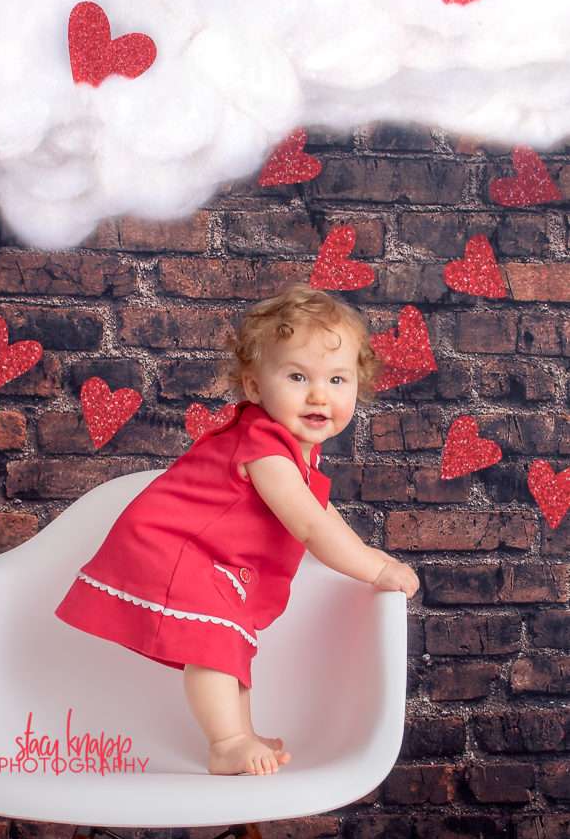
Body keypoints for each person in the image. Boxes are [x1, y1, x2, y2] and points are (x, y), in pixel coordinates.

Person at [54, 283, 420, 777]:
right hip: (173, 545)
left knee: (231, 637)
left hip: (207, 554)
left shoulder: (297, 451)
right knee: (213, 641)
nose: (319, 394)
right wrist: (376, 567)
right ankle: (225, 740)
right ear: (253, 387)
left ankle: (240, 732)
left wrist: (365, 551)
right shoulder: (263, 445)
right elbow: (310, 524)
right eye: (297, 376)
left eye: (338, 380)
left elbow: (320, 510)